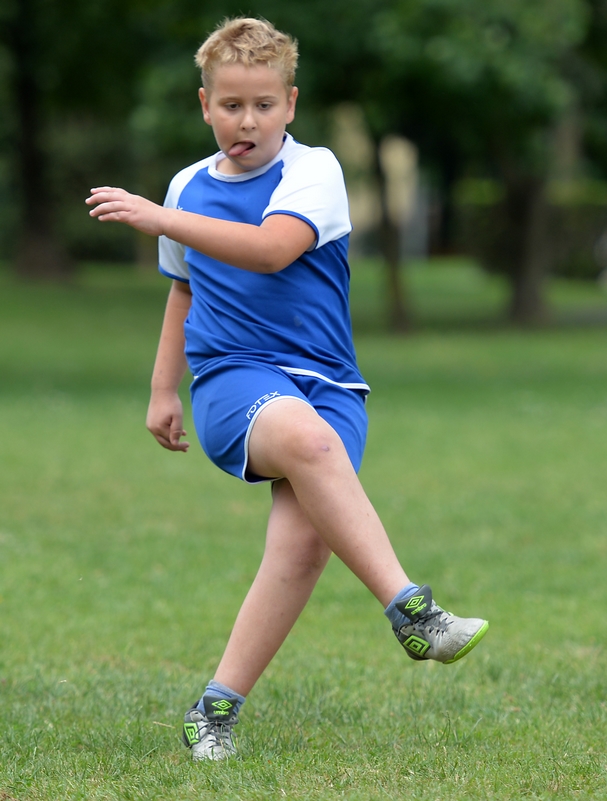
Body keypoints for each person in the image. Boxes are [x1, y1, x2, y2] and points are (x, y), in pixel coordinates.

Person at [86, 17, 489, 759]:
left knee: (301, 550)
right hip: (234, 380)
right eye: (231, 105)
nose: (247, 121)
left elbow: (274, 250)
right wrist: (161, 389)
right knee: (304, 439)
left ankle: (213, 711)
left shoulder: (316, 170)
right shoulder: (187, 187)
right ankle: (413, 610)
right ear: (204, 105)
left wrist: (162, 217)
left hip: (332, 384)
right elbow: (183, 291)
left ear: (291, 103)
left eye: (263, 105)